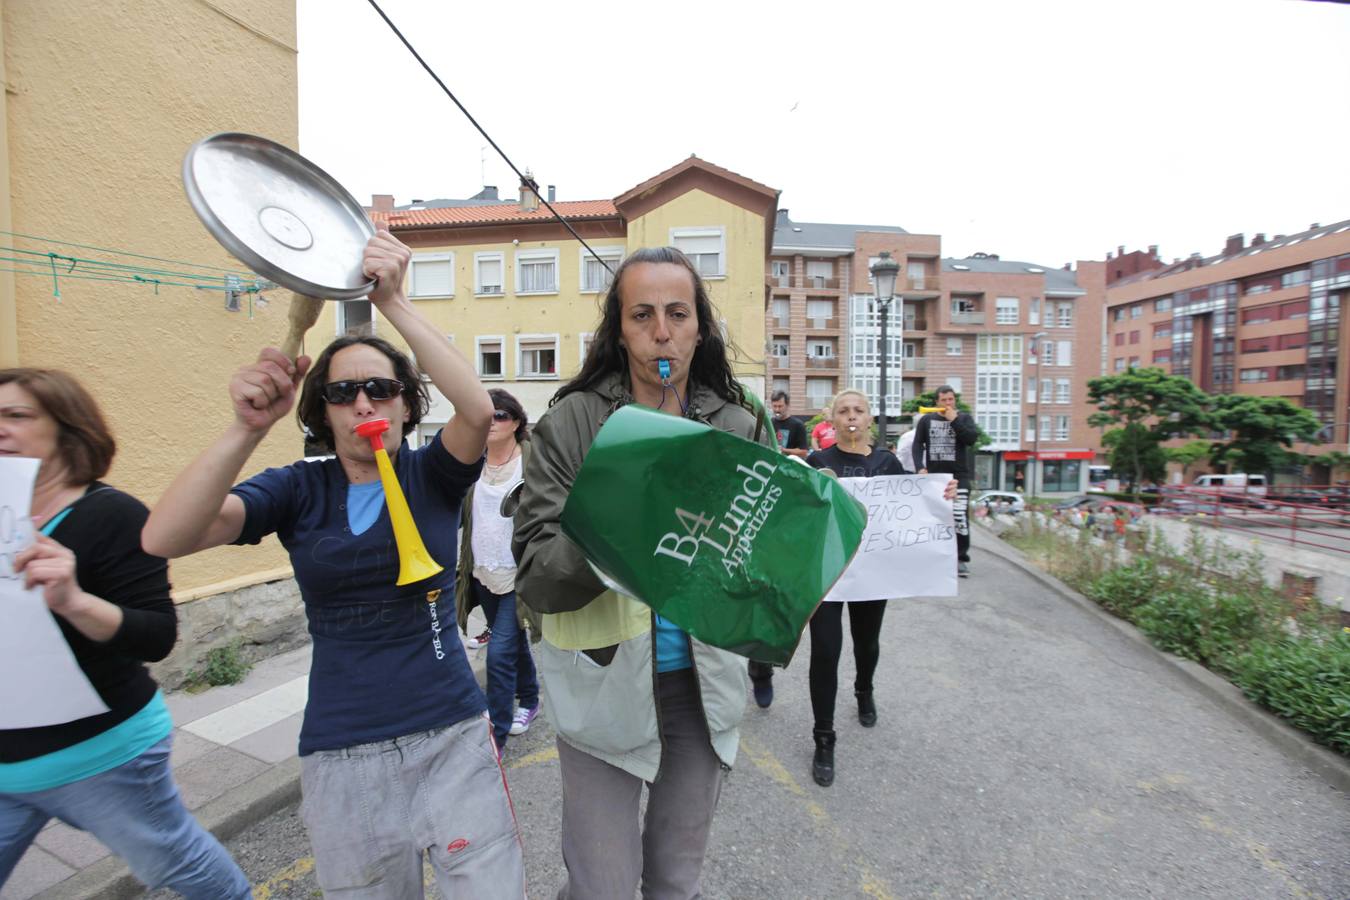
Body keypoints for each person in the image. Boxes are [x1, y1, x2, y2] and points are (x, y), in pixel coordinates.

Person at [142, 228, 524, 899]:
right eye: (343, 394)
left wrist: (397, 303)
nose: (364, 404)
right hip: (342, 753)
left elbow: (477, 407)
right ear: (320, 411)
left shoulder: (432, 475)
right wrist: (247, 427)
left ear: (407, 403)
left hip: (451, 738)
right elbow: (166, 537)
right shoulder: (297, 488)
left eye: (381, 388)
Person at [513, 246, 771, 900]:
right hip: (604, 683)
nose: (661, 331)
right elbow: (539, 574)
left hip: (700, 684)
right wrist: (627, 521)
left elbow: (764, 568)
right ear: (619, 329)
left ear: (700, 328)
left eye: (677, 314)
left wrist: (813, 521)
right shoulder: (572, 422)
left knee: (675, 880)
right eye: (642, 314)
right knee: (601, 885)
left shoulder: (740, 423)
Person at [0, 369, 249, 898]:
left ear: (68, 430)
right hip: (7, 762)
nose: (0, 429)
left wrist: (73, 600)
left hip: (101, 755)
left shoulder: (110, 514)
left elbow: (157, 635)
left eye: (16, 416)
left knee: (178, 866)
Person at [804, 390, 956, 788]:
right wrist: (813, 490)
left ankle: (864, 688)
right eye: (843, 411)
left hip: (874, 575)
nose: (851, 416)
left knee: (866, 645)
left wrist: (943, 494)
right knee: (824, 652)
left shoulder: (887, 462)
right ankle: (824, 737)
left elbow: (916, 504)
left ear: (870, 418)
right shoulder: (818, 462)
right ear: (831, 420)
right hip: (830, 575)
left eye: (858, 410)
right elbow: (800, 514)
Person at [455, 388, 540, 753]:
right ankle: (531, 697)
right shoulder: (472, 460)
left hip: (517, 572)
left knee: (499, 652)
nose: (491, 422)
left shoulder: (532, 461)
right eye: (486, 415)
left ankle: (496, 736)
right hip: (482, 569)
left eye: (500, 416)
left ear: (516, 422)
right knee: (513, 641)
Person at [913, 385, 979, 578]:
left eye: (951, 399)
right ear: (937, 402)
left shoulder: (964, 418)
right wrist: (919, 466)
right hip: (935, 478)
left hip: (959, 476)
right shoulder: (926, 420)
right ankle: (936, 555)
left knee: (959, 518)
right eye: (944, 400)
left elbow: (971, 439)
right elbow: (917, 444)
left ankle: (960, 559)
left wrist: (955, 421)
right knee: (935, 518)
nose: (948, 403)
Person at [769, 390, 809, 459]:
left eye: (780, 406)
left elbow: (804, 452)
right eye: (774, 406)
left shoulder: (798, 425)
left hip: (789, 467)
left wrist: (783, 450)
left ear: (787, 405)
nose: (777, 409)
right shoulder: (770, 423)